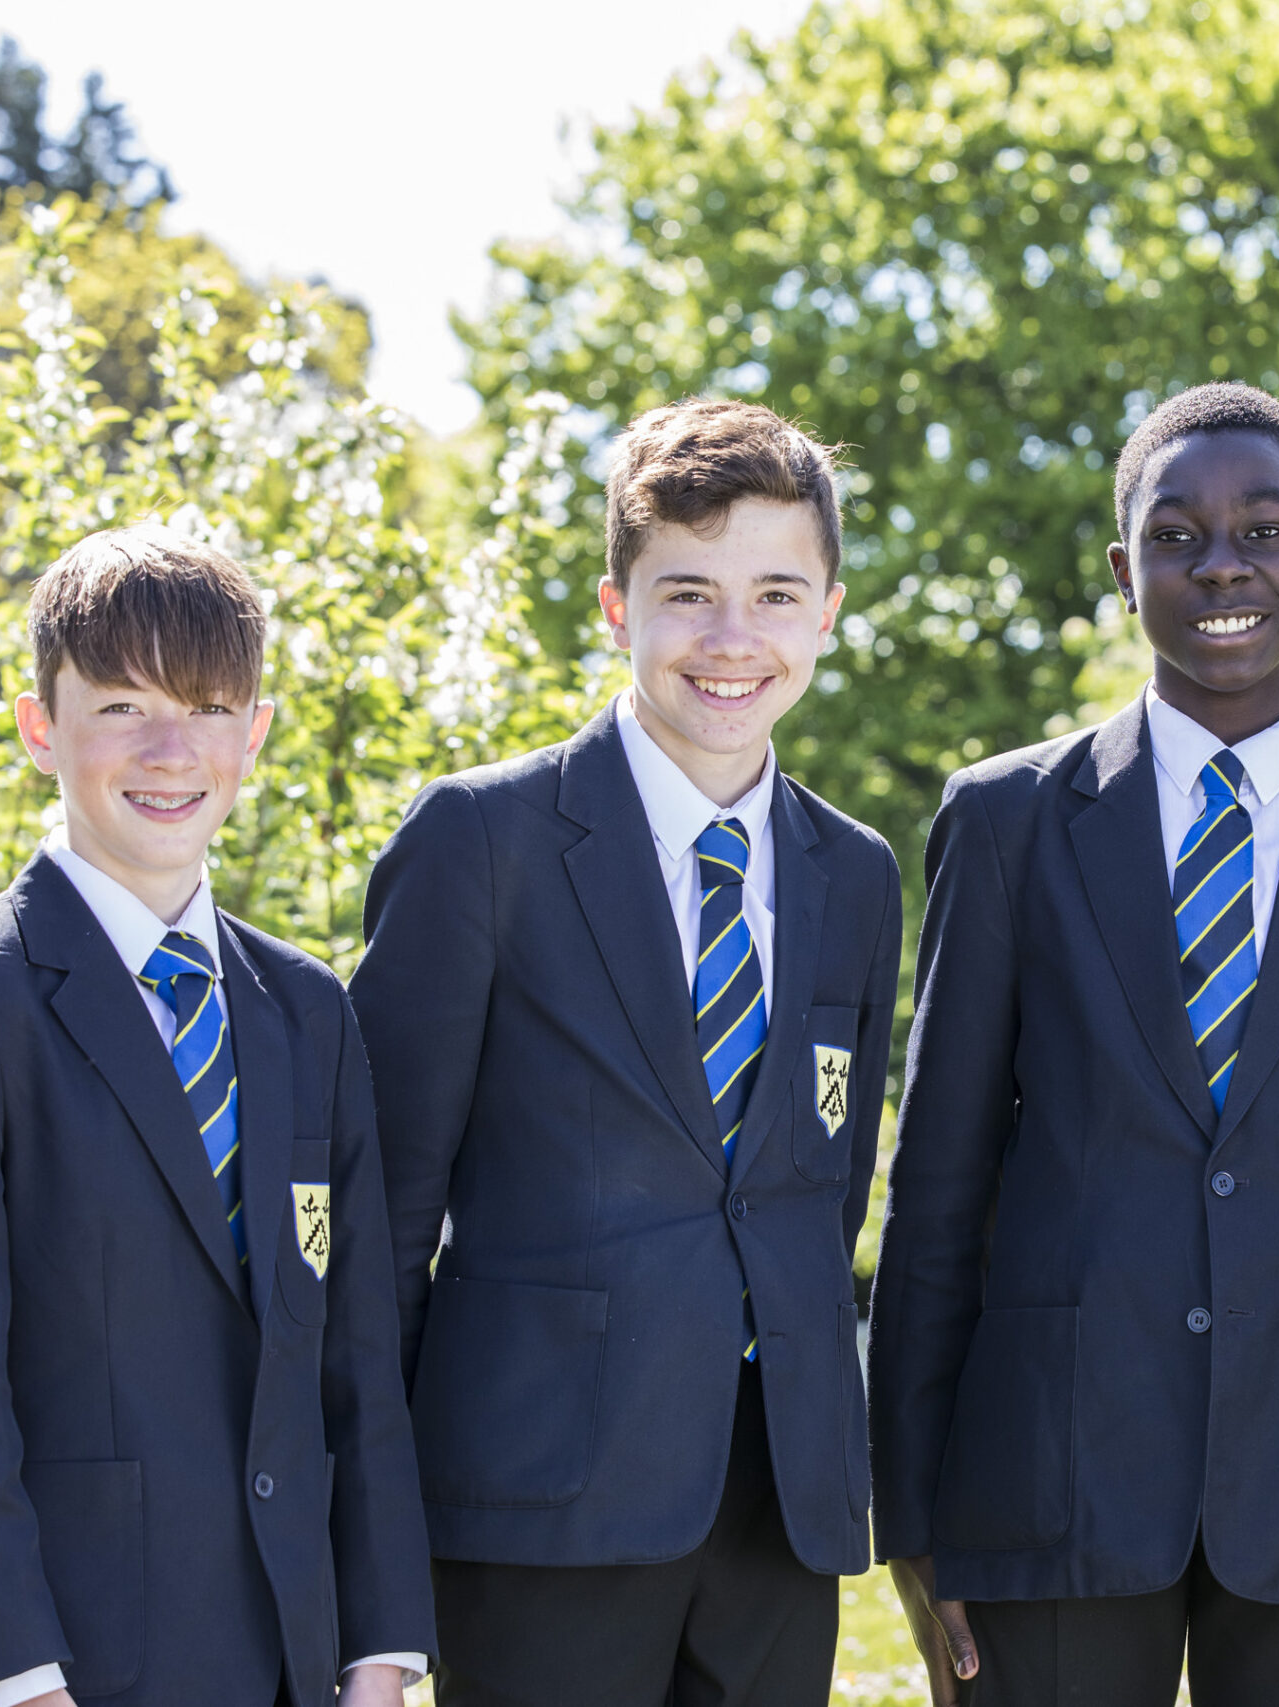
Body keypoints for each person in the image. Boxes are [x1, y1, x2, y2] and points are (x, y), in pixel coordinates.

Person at [870, 382, 1279, 1707]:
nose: (1222, 564)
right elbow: (939, 1192)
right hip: (1051, 1486)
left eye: (1265, 530)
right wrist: (914, 1514)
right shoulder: (1006, 824)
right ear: (1124, 570)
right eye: (1177, 536)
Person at [350, 398, 904, 1707]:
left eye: (776, 593)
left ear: (826, 612)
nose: (732, 638)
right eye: (687, 593)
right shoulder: (480, 843)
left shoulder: (859, 876)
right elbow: (378, 1232)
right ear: (616, 607)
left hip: (778, 1514)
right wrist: (371, 1559)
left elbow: (820, 1197)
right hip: (533, 1508)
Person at [0, 524, 436, 1707]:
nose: (172, 749)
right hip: (62, 1673)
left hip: (295, 1667)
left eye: (210, 706)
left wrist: (378, 1654)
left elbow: (356, 1360)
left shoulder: (307, 1009)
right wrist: (18, 1685)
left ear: (254, 732)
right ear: (38, 727)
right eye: (121, 706)